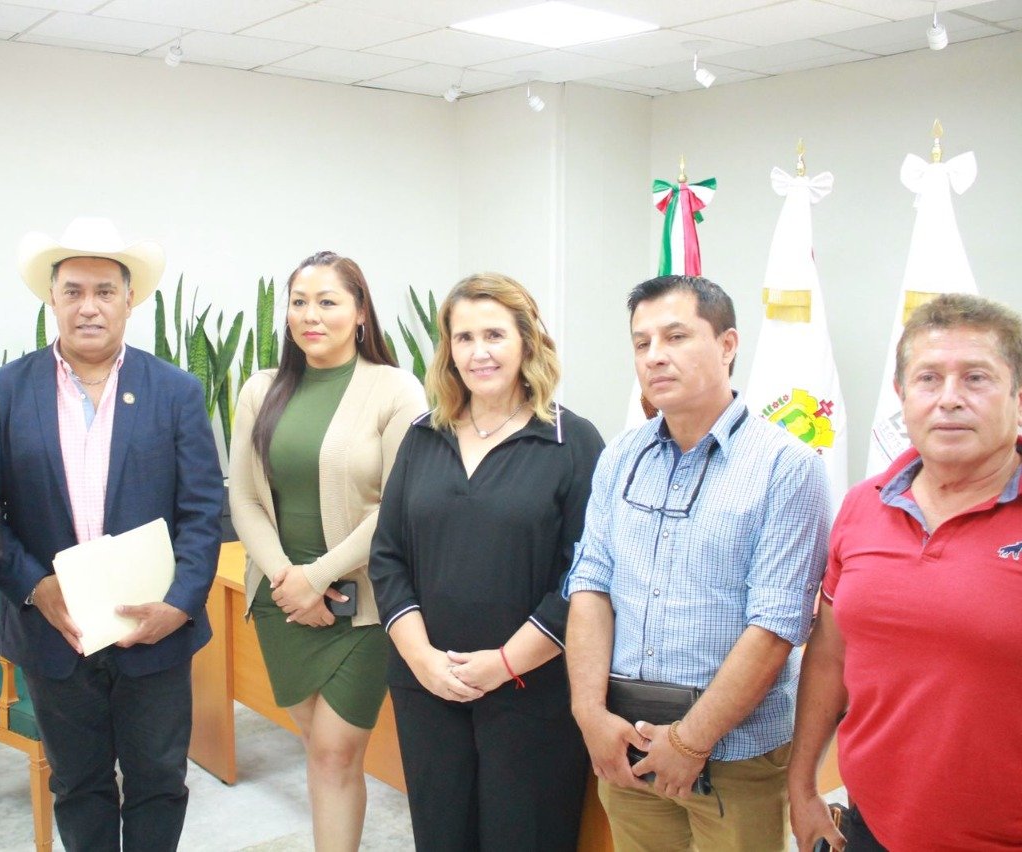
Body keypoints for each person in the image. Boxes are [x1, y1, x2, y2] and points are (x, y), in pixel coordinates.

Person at [0, 217, 224, 851]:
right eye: (74, 291)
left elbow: (202, 511)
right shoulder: (1, 394)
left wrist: (180, 604)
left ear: (129, 301)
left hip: (155, 631)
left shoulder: (176, 391)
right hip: (55, 633)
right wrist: (35, 587)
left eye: (105, 291)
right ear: (51, 300)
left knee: (159, 780)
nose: (89, 307)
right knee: (78, 785)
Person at [565, 274, 831, 851]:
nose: (655, 356)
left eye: (676, 336)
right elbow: (590, 585)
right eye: (642, 343)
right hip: (626, 745)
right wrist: (588, 713)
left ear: (727, 344)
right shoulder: (621, 455)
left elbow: (776, 625)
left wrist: (690, 742)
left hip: (736, 757)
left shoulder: (787, 466)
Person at [370, 272, 603, 851]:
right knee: (441, 836)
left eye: (495, 335)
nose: (479, 352)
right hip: (428, 688)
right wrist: (423, 660)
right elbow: (388, 557)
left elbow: (585, 578)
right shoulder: (423, 436)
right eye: (464, 337)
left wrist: (503, 664)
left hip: (532, 693)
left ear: (527, 341)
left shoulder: (572, 442)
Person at [789, 294, 1022, 851]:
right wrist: (802, 785)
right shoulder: (862, 506)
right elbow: (830, 656)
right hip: (873, 829)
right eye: (928, 378)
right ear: (901, 394)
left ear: (1018, 395)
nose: (949, 398)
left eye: (976, 378)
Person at [229, 251, 426, 850]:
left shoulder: (396, 389)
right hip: (281, 600)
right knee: (318, 749)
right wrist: (291, 582)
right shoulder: (261, 389)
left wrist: (319, 576)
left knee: (338, 752)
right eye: (299, 302)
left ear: (361, 312)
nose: (310, 315)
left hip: (362, 602)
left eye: (328, 302)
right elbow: (244, 496)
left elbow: (399, 503)